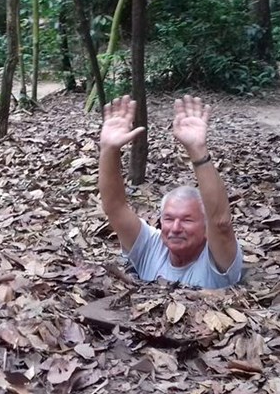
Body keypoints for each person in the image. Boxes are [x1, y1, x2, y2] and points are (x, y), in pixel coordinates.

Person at [98, 95, 242, 289]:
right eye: (168, 219)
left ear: (206, 228)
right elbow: (114, 207)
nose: (175, 228)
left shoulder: (218, 258)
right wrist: (109, 149)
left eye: (187, 220)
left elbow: (221, 222)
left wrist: (197, 150)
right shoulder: (149, 245)